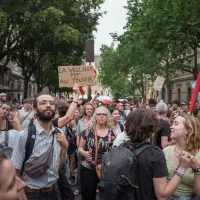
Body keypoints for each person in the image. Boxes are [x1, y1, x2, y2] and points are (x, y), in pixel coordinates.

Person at [124, 109, 193, 200]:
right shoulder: (155, 154)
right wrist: (182, 168)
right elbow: (162, 196)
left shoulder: (121, 148)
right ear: (153, 129)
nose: (172, 127)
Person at [12, 94, 69, 200]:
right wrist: (21, 195)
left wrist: (65, 148)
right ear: (35, 109)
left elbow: (58, 167)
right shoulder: (24, 135)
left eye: (51, 103)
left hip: (54, 192)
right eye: (43, 103)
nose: (48, 105)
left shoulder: (59, 133)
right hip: (31, 194)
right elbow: (15, 171)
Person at [78, 106, 115, 200]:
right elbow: (80, 148)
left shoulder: (112, 133)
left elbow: (114, 150)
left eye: (104, 114)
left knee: (107, 195)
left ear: (107, 117)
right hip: (88, 167)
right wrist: (84, 152)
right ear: (95, 116)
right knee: (88, 195)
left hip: (106, 168)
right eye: (99, 114)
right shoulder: (87, 131)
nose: (101, 116)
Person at [163, 116, 200, 199]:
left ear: (187, 130)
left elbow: (199, 193)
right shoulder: (165, 151)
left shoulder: (198, 155)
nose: (171, 126)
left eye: (176, 124)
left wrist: (197, 170)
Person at [74, 102, 94, 196]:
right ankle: (78, 187)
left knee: (93, 166)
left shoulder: (95, 120)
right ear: (85, 110)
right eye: (87, 109)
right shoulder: (81, 121)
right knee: (80, 166)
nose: (89, 110)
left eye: (91, 109)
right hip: (82, 146)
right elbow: (78, 134)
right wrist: (78, 146)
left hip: (92, 146)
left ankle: (96, 186)